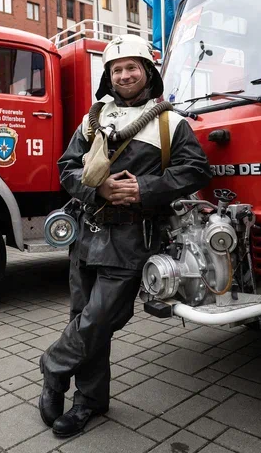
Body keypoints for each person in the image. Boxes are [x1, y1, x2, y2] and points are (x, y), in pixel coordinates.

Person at [38, 34, 212, 437]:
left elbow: (197, 170)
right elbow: (67, 169)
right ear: (108, 76)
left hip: (133, 236)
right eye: (117, 69)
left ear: (147, 73)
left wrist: (144, 188)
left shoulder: (170, 121)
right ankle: (89, 403)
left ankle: (53, 369)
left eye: (132, 67)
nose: (125, 74)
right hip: (86, 232)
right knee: (84, 319)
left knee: (101, 318)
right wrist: (94, 188)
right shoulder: (92, 118)